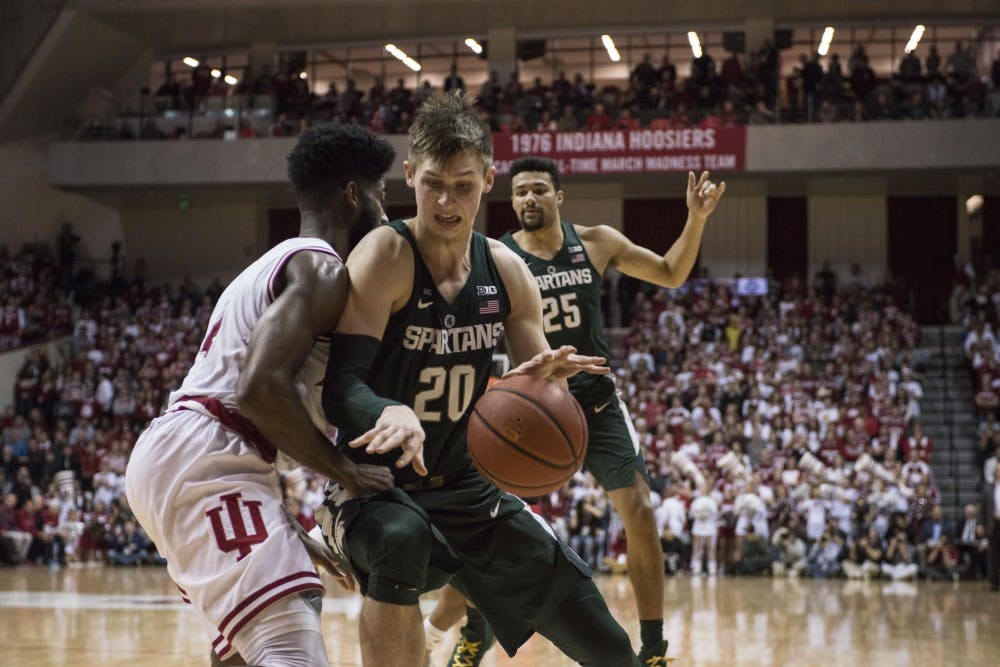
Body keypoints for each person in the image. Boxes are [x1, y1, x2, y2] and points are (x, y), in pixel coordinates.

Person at [318, 91, 639, 667]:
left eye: (463, 185)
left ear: (488, 180)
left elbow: (537, 377)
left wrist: (549, 381)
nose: (446, 201)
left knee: (611, 648)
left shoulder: (507, 270)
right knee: (401, 539)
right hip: (374, 489)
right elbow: (342, 386)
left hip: (467, 488)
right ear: (410, 175)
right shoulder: (385, 254)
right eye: (433, 183)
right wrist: (386, 410)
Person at [428, 153, 725, 664]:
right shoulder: (497, 254)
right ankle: (477, 628)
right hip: (523, 404)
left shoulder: (596, 242)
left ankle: (653, 650)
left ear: (558, 197)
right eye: (520, 191)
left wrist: (695, 219)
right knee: (484, 527)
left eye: (539, 189)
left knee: (640, 510)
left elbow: (673, 273)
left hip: (594, 399)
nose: (528, 199)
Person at [125, 123, 399, 667]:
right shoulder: (321, 268)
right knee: (289, 634)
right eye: (381, 194)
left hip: (201, 453)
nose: (386, 212)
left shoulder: (276, 263)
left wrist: (285, 526)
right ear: (353, 195)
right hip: (207, 456)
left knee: (247, 647)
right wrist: (347, 471)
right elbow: (257, 391)